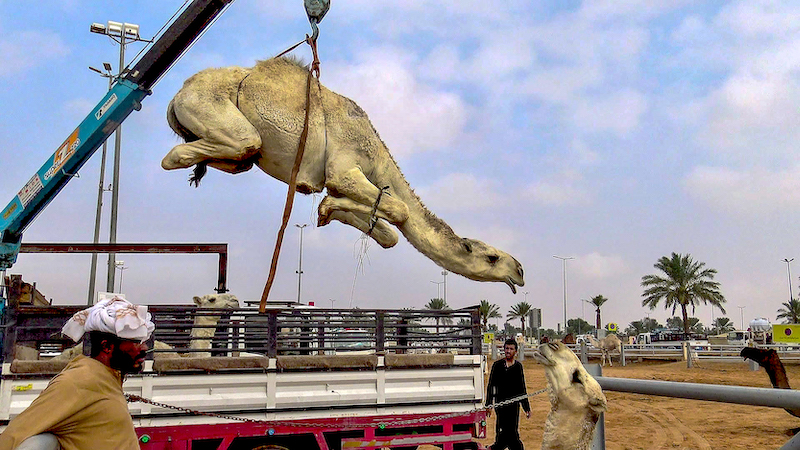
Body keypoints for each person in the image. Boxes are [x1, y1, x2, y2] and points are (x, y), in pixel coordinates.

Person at [0, 296, 154, 450]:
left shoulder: (108, 376)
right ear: (107, 346)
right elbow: (18, 431)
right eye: (136, 342)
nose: (144, 348)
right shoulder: (78, 381)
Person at [486, 338, 531, 450]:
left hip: (514, 406)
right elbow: (491, 386)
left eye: (511, 349)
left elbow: (522, 388)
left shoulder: (518, 367)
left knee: (511, 431)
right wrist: (489, 404)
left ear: (516, 351)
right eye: (506, 348)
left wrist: (526, 407)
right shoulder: (497, 366)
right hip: (500, 404)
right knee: (503, 431)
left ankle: (494, 448)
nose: (508, 351)